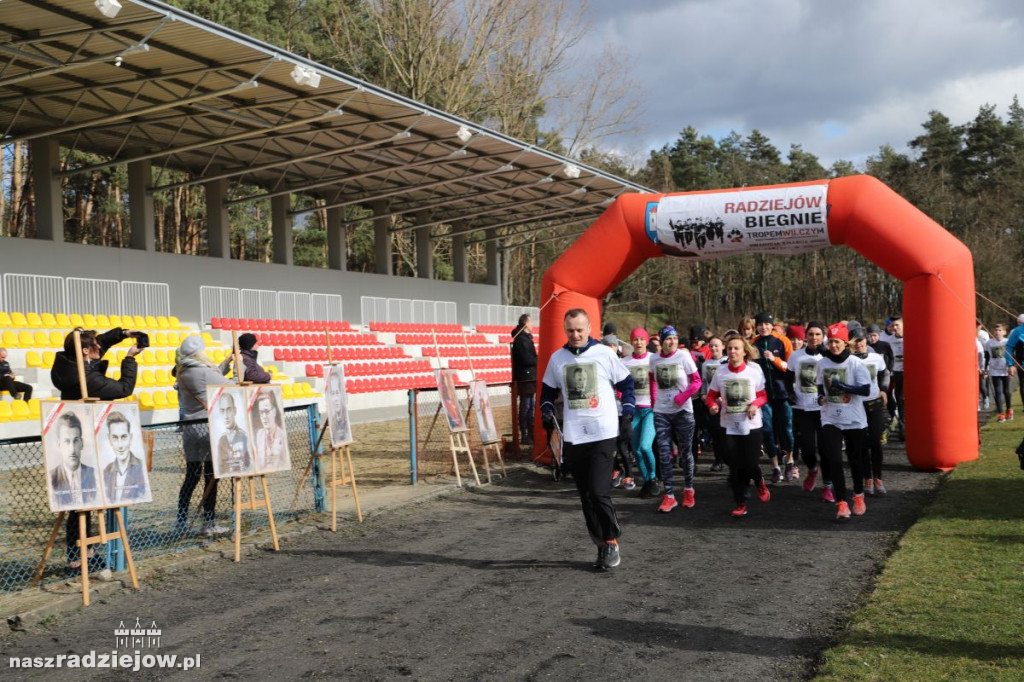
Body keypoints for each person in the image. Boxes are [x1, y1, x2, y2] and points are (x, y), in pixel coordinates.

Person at [540, 309, 634, 571]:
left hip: (603, 432)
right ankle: (602, 545)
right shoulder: (557, 358)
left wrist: (627, 412)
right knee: (585, 497)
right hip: (574, 435)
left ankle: (612, 539)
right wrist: (546, 410)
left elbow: (627, 384)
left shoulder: (604, 353)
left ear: (589, 328)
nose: (576, 335)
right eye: (571, 330)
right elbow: (547, 390)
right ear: (565, 329)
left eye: (580, 330)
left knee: (598, 490)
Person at [51, 327, 141, 577]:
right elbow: (124, 388)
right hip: (88, 443)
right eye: (95, 347)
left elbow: (97, 342)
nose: (100, 348)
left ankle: (83, 554)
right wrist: (130, 359)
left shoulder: (68, 364)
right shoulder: (86, 378)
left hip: (84, 441)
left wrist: (122, 333)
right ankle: (79, 557)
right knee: (82, 505)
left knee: (82, 505)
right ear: (84, 351)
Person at [705, 335, 771, 517]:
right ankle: (740, 503)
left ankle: (759, 481)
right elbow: (711, 395)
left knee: (750, 463)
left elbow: (763, 395)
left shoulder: (753, 371)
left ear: (744, 352)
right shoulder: (720, 372)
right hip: (729, 424)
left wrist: (755, 404)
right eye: (730, 349)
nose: (732, 352)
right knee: (734, 466)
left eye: (736, 348)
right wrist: (712, 406)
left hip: (751, 424)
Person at [175, 335, 230, 536]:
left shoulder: (182, 372)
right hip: (207, 428)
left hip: (189, 429)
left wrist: (225, 363)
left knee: (191, 475)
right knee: (211, 476)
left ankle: (181, 521)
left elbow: (212, 376)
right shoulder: (203, 371)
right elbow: (227, 383)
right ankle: (209, 522)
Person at [816, 323, 872, 520]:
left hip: (854, 419)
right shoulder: (822, 363)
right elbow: (819, 387)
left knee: (855, 459)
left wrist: (842, 386)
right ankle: (841, 503)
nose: (833, 346)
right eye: (830, 342)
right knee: (833, 459)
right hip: (830, 418)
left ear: (845, 343)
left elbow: (865, 390)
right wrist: (820, 397)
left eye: (836, 342)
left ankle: (858, 495)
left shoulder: (855, 364)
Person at [648, 325, 702, 512]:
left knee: (686, 454)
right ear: (662, 341)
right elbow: (652, 380)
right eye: (668, 339)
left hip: (683, 412)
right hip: (661, 412)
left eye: (675, 338)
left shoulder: (684, 356)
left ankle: (688, 489)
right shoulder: (654, 359)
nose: (672, 342)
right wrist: (654, 401)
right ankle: (669, 495)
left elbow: (696, 381)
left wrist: (682, 397)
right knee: (664, 454)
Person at [751, 312, 795, 483]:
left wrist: (774, 359)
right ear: (756, 327)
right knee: (767, 430)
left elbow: (790, 367)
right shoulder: (753, 343)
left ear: (772, 324)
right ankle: (775, 467)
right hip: (764, 395)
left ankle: (790, 461)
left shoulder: (783, 341)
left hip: (783, 393)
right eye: (760, 324)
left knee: (787, 430)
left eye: (767, 324)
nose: (764, 327)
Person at [787, 322, 828, 498]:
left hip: (825, 409)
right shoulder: (796, 356)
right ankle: (812, 469)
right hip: (802, 408)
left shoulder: (829, 356)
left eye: (818, 334)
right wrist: (789, 393)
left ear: (823, 336)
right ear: (806, 336)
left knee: (826, 449)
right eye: (810, 334)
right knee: (808, 449)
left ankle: (828, 486)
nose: (814, 337)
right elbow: (788, 379)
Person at [850, 328, 889, 495]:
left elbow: (884, 373)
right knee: (862, 444)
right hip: (856, 405)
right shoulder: (849, 360)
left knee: (875, 441)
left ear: (866, 340)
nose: (858, 343)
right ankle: (868, 478)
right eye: (855, 341)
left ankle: (878, 477)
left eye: (861, 340)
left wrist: (884, 389)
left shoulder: (875, 358)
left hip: (874, 404)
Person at [622, 328, 658, 496]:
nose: (638, 343)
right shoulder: (625, 362)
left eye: (641, 339)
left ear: (646, 341)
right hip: (634, 411)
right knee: (636, 450)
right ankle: (648, 482)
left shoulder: (653, 359)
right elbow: (619, 384)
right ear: (631, 342)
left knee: (645, 446)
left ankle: (653, 478)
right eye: (635, 339)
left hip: (650, 410)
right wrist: (622, 396)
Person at [49, 412, 98, 508]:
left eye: (75, 441)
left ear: (82, 443)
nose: (72, 449)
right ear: (59, 444)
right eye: (67, 441)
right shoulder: (52, 477)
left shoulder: (94, 474)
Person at [102, 410, 148, 503]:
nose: (120, 445)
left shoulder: (141, 467)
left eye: (123, 437)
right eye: (115, 437)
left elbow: (142, 493)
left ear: (130, 438)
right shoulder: (107, 471)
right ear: (109, 439)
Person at [510, 314, 538, 443]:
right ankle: (525, 434)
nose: (533, 324)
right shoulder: (522, 340)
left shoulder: (525, 339)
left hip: (529, 378)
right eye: (531, 322)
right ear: (525, 324)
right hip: (525, 379)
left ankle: (530, 433)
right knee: (526, 407)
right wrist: (538, 359)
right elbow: (526, 359)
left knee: (530, 407)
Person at [216, 391, 252, 476]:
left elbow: (249, 465)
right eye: (222, 411)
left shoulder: (244, 436)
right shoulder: (221, 440)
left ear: (235, 411)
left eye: (229, 410)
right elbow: (221, 467)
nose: (226, 416)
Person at [252, 389, 287, 471]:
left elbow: (284, 462)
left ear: (274, 411)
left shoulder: (282, 435)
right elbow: (259, 464)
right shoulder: (259, 435)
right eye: (261, 412)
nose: (264, 416)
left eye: (267, 411)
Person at [986, 323, 1014, 422]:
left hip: (1005, 370)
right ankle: (1000, 414)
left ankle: (1009, 410)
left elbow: (1012, 356)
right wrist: (985, 368)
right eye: (995, 330)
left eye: (999, 330)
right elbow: (987, 356)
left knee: (1006, 391)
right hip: (994, 370)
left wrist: (1012, 367)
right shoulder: (989, 343)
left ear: (1004, 332)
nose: (997, 332)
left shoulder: (1008, 342)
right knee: (997, 392)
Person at [327, 368, 351, 445]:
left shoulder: (344, 416)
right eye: (333, 393)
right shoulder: (332, 418)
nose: (336, 399)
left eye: (337, 393)